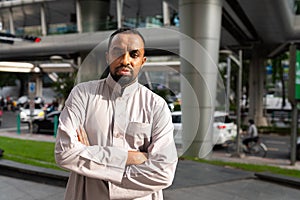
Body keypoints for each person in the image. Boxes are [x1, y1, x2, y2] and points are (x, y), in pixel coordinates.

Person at [55, 28, 178, 200]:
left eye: (133, 55)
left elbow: (163, 172)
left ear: (143, 61)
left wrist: (90, 153)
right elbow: (64, 153)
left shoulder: (156, 106)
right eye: (118, 52)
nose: (125, 60)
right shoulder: (82, 94)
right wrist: (130, 157)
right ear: (107, 57)